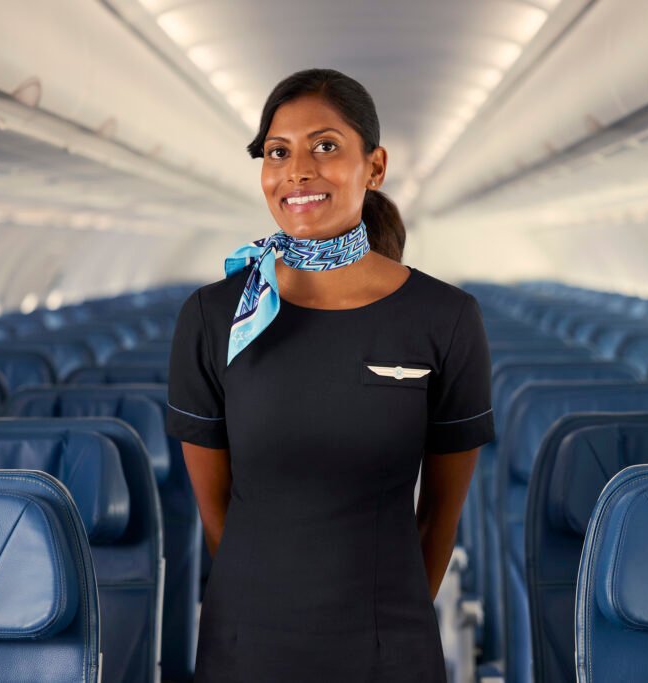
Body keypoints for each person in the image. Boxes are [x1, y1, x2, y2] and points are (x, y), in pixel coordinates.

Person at [166, 67, 495, 683]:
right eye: (277, 152)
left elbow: (440, 517)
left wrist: (381, 621)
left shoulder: (445, 318)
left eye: (325, 146)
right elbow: (218, 514)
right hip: (246, 644)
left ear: (374, 166)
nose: (297, 170)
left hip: (387, 644)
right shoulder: (215, 317)